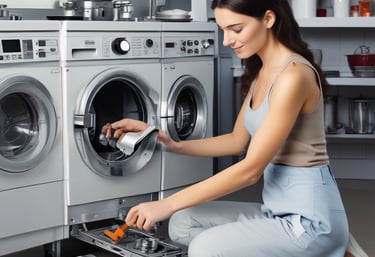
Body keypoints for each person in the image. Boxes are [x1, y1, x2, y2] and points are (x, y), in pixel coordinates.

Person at [102, 0, 369, 256]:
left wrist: (167, 203)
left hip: (310, 222)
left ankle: (329, 249)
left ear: (268, 19)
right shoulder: (262, 72)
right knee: (182, 223)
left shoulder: (294, 75)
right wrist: (168, 142)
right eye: (223, 30)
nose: (227, 41)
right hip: (276, 210)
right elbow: (235, 141)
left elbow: (251, 170)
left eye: (236, 29)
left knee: (205, 249)